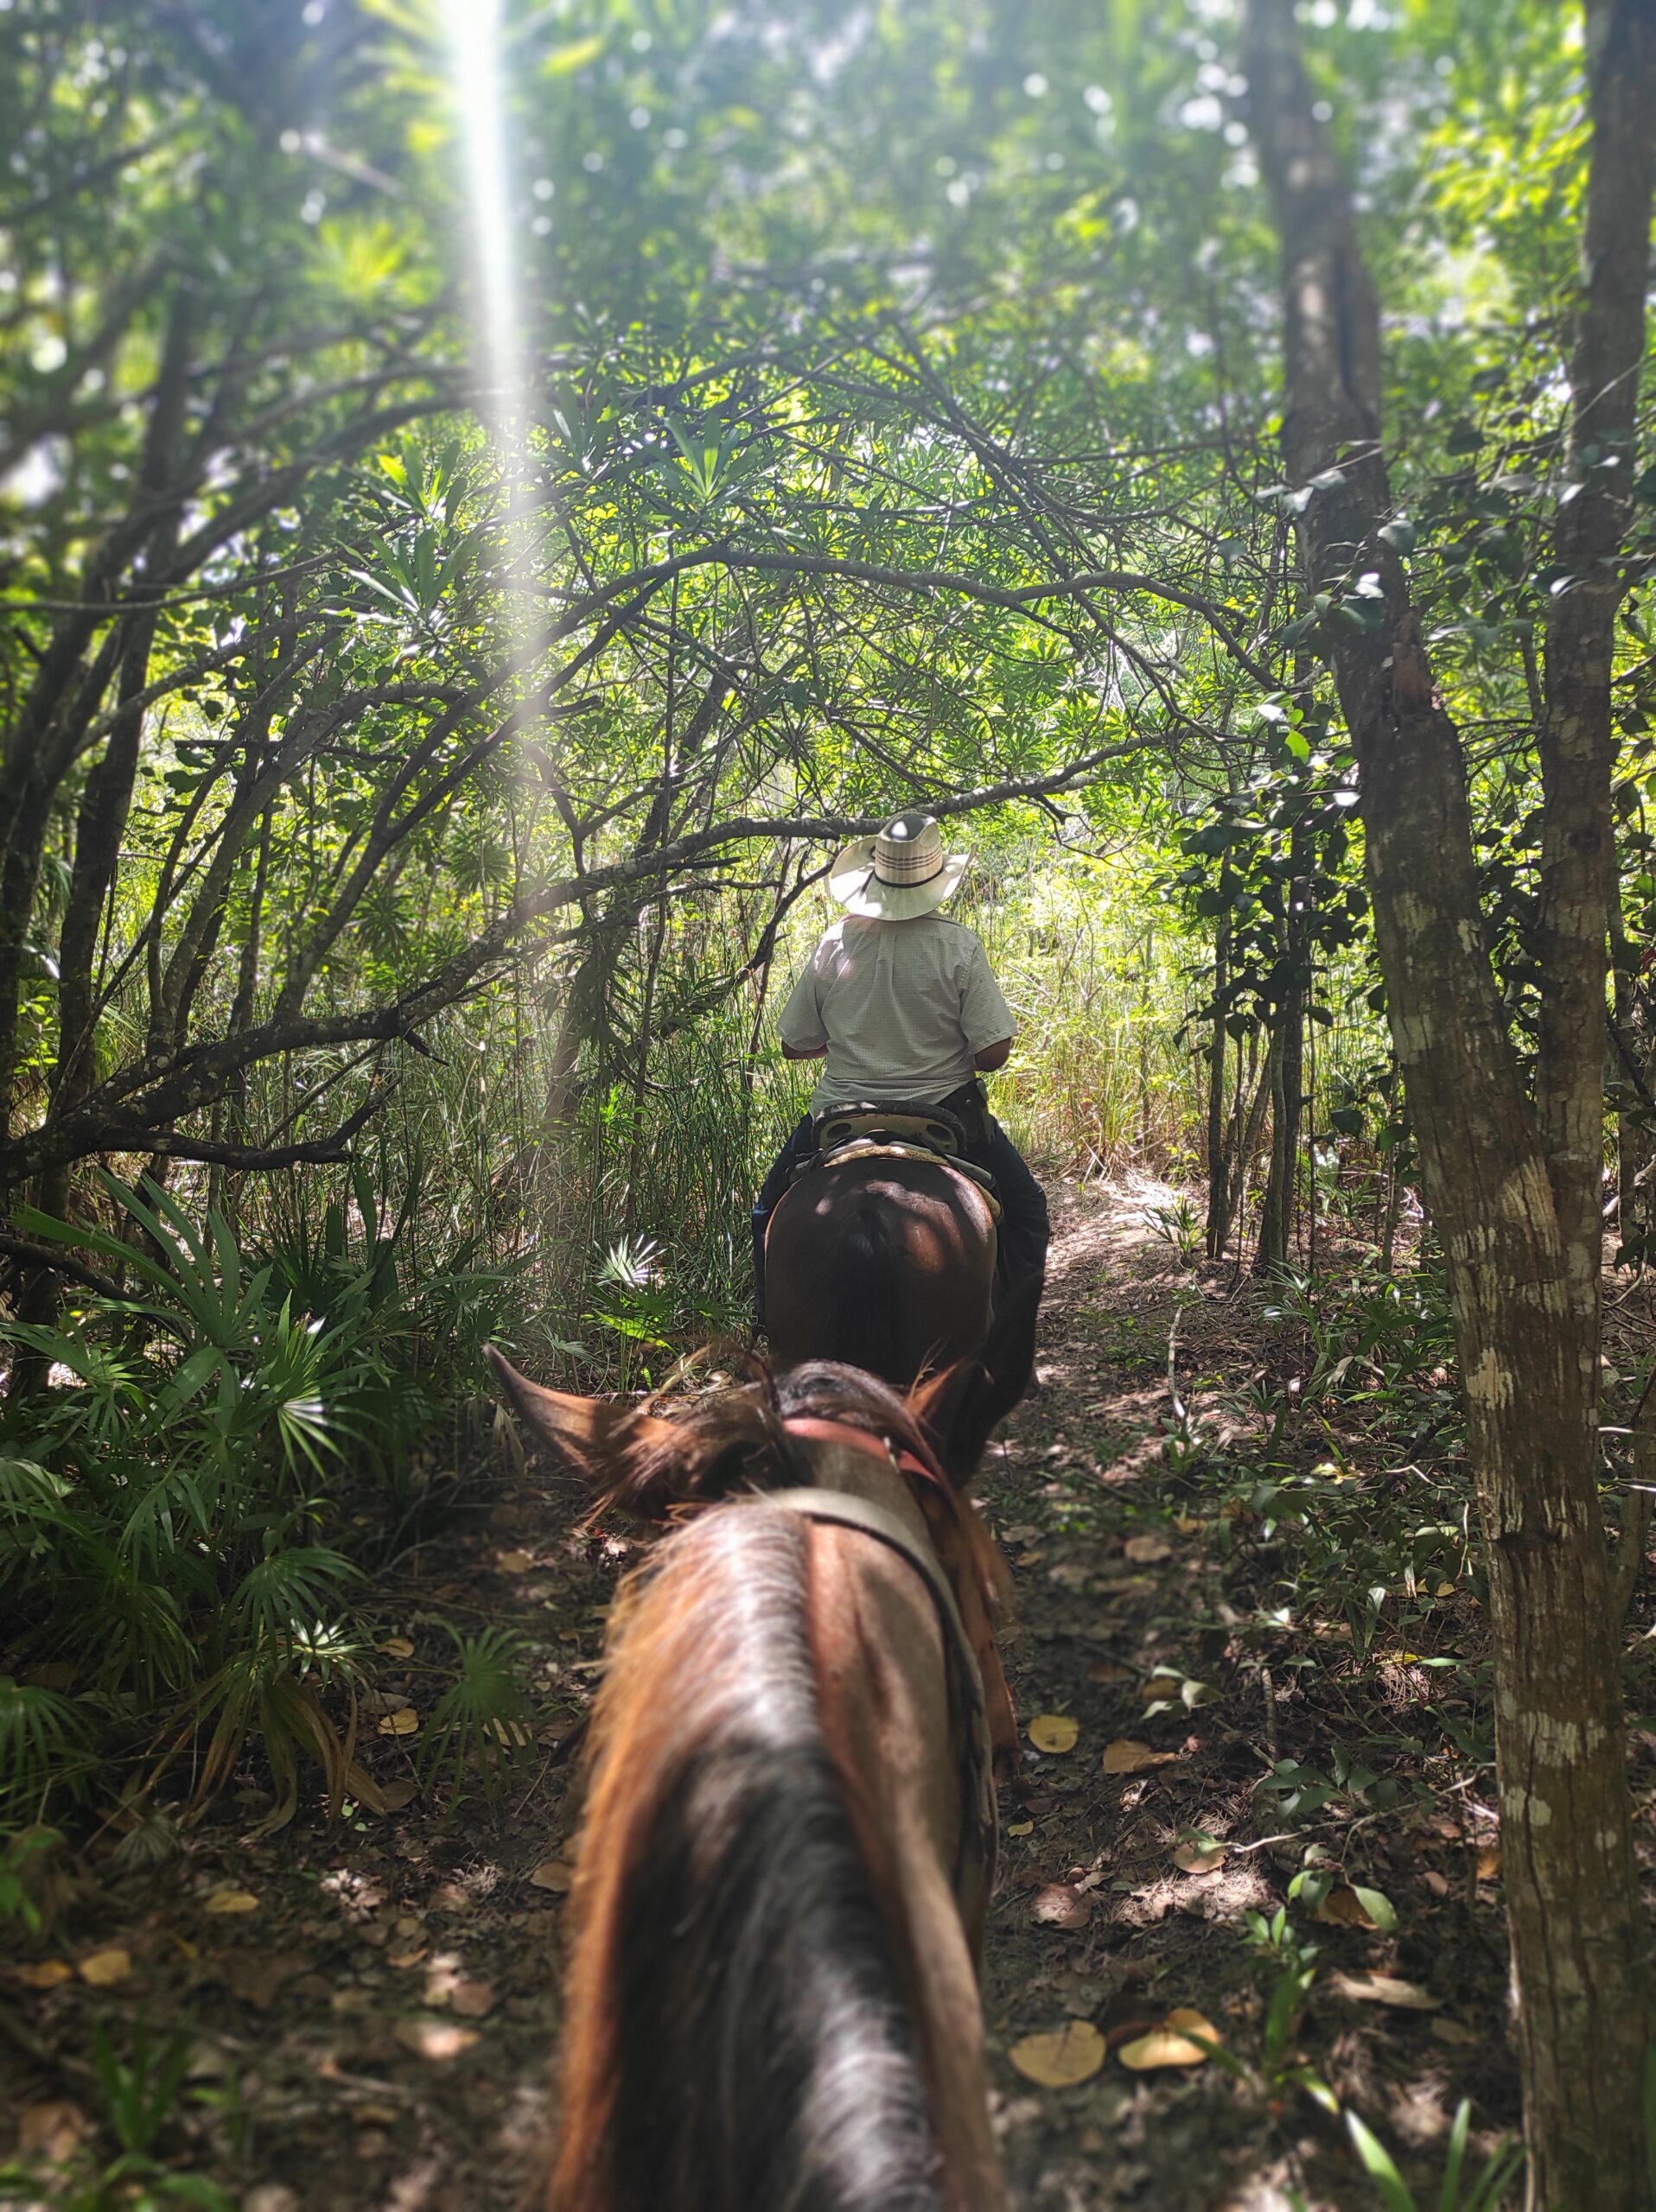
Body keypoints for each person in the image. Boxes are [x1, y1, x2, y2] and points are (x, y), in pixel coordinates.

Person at [752, 810, 1050, 1329]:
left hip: (841, 1117)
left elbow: (794, 1044)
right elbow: (993, 1054)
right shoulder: (958, 944)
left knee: (766, 1213)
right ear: (936, 881)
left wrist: (847, 1042)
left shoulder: (834, 943)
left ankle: (765, 1326)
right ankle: (1012, 1340)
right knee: (1026, 1207)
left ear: (875, 875)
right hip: (946, 1114)